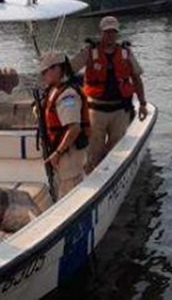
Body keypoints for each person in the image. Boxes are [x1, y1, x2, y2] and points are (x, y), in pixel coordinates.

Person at [71, 16, 147, 173]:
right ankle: (91, 173)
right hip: (96, 111)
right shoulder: (90, 52)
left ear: (117, 33)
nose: (110, 35)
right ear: (101, 33)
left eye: (113, 32)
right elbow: (69, 69)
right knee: (94, 149)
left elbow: (137, 78)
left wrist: (143, 103)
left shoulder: (126, 53)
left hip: (120, 110)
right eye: (107, 32)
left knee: (116, 146)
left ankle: (109, 173)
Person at [39, 52, 90, 198]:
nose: (43, 75)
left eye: (45, 71)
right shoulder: (52, 90)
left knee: (69, 195)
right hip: (60, 153)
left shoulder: (68, 95)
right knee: (60, 189)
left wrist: (58, 153)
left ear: (57, 69)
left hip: (68, 155)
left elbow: (74, 128)